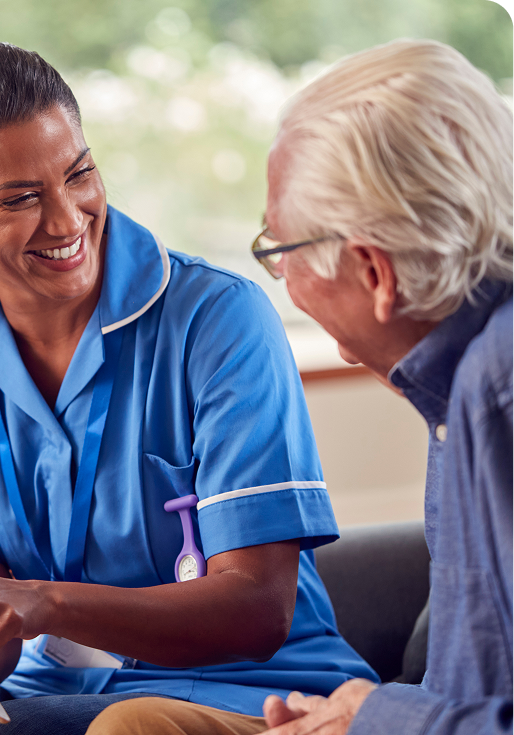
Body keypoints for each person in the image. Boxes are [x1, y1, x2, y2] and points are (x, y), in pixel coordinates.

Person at [0, 40, 375, 735]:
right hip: (49, 684)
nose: (65, 219)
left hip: (247, 685)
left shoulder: (218, 320)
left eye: (78, 173)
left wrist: (43, 600)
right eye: (20, 198)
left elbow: (258, 612)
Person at [86, 38, 514, 735]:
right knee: (137, 725)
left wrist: (379, 717)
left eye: (278, 250)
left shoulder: (497, 388)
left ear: (374, 272)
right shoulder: (452, 386)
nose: (276, 278)